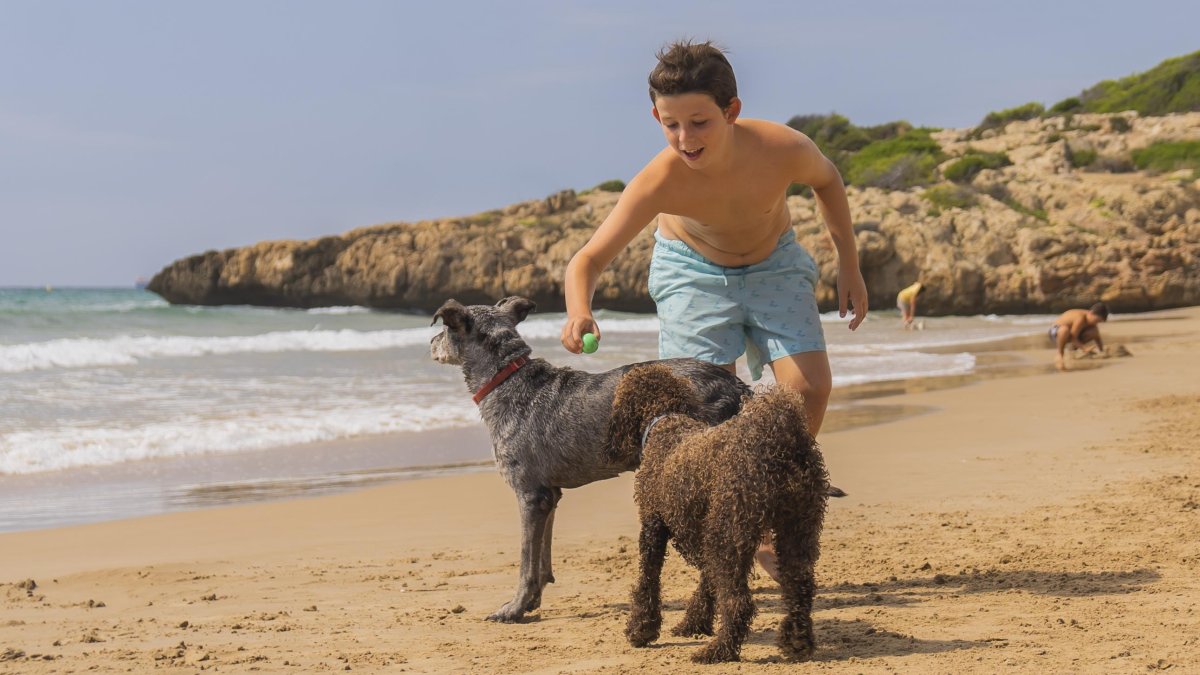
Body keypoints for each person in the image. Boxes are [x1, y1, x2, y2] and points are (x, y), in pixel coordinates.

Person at [559, 40, 868, 580]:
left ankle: (766, 512)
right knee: (708, 407)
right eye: (670, 124)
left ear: (732, 111)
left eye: (699, 122)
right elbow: (587, 259)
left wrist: (850, 265)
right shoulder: (662, 178)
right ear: (656, 116)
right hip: (693, 277)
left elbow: (827, 181)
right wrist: (578, 311)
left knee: (811, 387)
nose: (685, 139)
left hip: (774, 266)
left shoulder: (783, 148)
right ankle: (726, 523)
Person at [1050, 302, 1108, 371]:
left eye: (1099, 322)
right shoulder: (1080, 318)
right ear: (1091, 313)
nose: (1096, 323)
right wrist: (1084, 348)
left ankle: (1073, 350)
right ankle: (1060, 354)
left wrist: (1101, 351)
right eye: (1096, 320)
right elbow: (1073, 337)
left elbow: (1097, 337)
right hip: (1056, 332)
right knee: (1065, 330)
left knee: (1094, 332)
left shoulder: (1090, 319)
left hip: (1071, 334)